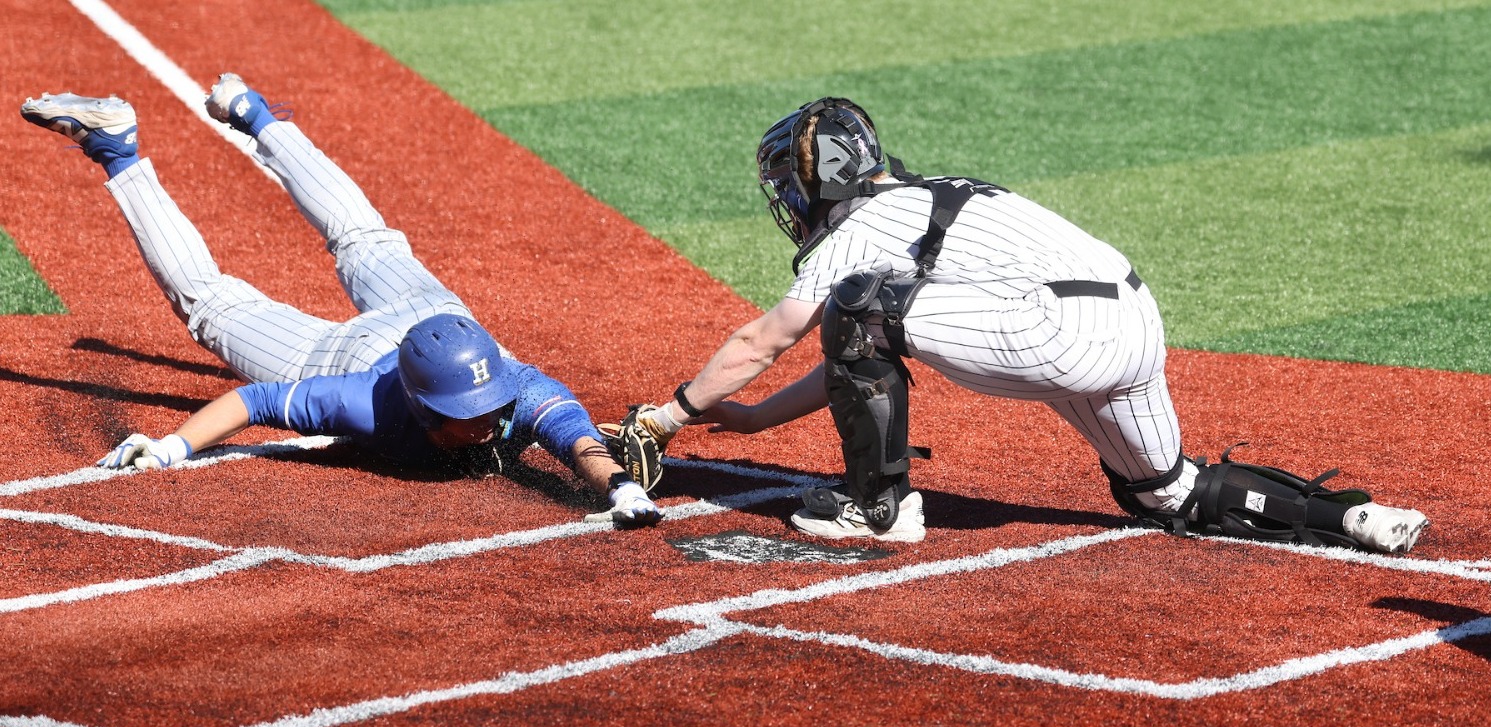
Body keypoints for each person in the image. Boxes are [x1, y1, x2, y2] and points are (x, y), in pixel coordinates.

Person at [617, 97, 1426, 551]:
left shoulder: (861, 228)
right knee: (1166, 491)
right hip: (1133, 321)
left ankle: (877, 507)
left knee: (861, 307)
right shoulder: (923, 195)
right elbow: (851, 348)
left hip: (1057, 329)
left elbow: (771, 338)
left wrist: (666, 416)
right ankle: (1353, 518)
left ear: (817, 182)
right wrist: (757, 419)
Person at [20, 74, 660, 527]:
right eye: (469, 415)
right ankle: (118, 152)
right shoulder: (363, 404)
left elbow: (577, 439)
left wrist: (621, 488)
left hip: (438, 319)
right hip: (345, 352)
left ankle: (255, 116)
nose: (489, 422)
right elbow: (255, 401)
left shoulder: (512, 387)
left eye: (489, 405)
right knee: (210, 307)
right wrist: (172, 446)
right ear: (426, 413)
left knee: (363, 238)